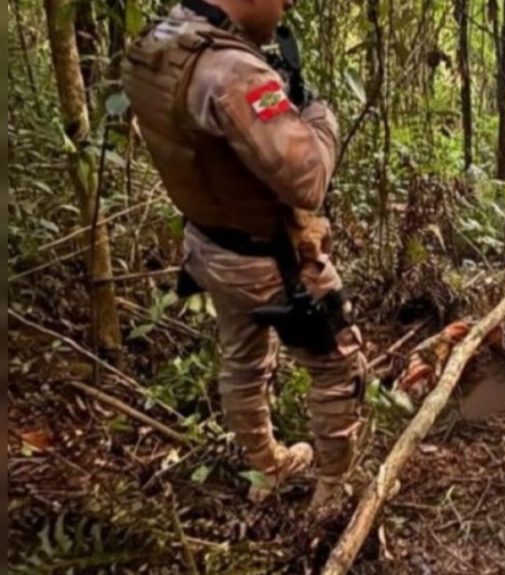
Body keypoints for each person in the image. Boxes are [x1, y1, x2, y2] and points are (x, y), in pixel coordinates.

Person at [123, 0, 366, 508]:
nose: (289, 6)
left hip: (209, 246)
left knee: (242, 359)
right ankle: (335, 494)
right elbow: (308, 180)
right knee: (339, 365)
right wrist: (319, 117)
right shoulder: (232, 72)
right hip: (269, 260)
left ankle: (265, 467)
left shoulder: (163, 40)